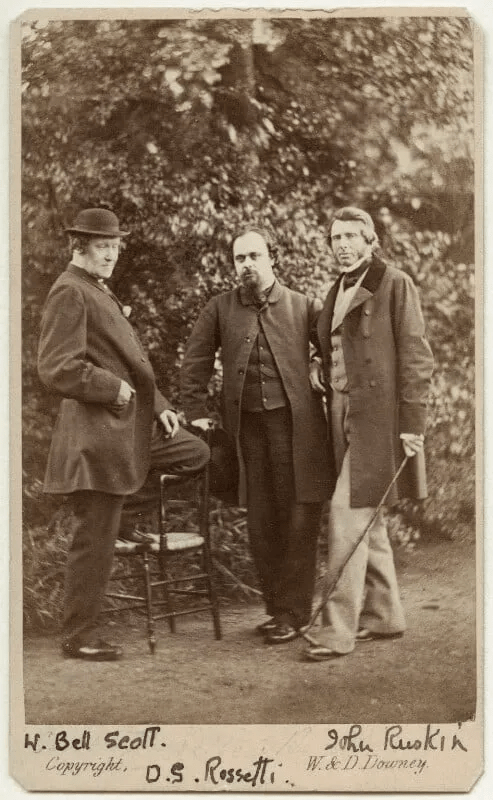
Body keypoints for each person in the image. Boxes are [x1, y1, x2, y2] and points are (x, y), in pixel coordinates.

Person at [38, 208, 209, 661]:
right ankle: (79, 637)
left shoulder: (97, 288)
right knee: (94, 542)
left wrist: (161, 407)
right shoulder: (70, 291)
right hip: (97, 438)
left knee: (192, 452)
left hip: (128, 430)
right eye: (102, 246)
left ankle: (126, 515)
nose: (111, 254)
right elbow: (57, 367)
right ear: (79, 247)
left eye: (115, 246)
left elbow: (130, 363)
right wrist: (111, 389)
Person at [179, 226, 329, 644]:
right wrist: (196, 413)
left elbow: (334, 349)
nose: (246, 264)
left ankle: (294, 614)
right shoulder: (220, 308)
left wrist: (319, 365)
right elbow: (194, 361)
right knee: (262, 521)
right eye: (239, 258)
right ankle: (277, 609)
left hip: (298, 432)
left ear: (272, 258)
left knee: (299, 518)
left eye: (254, 256)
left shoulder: (304, 306)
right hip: (247, 434)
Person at [304, 206, 434, 661]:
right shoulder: (336, 288)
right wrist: (318, 362)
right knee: (367, 516)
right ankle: (384, 615)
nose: (342, 245)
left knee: (347, 515)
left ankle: (335, 631)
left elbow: (416, 357)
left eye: (350, 237)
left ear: (369, 241)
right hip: (341, 413)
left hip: (379, 420)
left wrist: (413, 424)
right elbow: (329, 341)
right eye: (335, 237)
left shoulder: (394, 283)